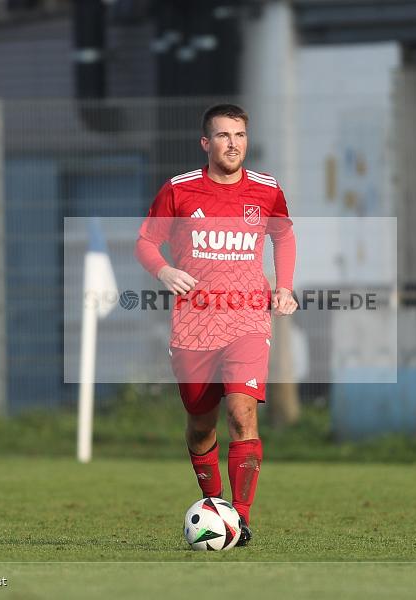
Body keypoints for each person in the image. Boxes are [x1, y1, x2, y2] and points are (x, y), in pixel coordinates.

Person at [135, 104, 297, 547]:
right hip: (194, 324)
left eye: (240, 135)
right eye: (223, 136)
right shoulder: (179, 190)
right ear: (206, 143)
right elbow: (146, 241)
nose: (233, 144)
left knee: (241, 413)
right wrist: (165, 272)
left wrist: (284, 287)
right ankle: (214, 503)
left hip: (247, 317)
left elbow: (283, 235)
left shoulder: (267, 191)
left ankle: (239, 520)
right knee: (201, 425)